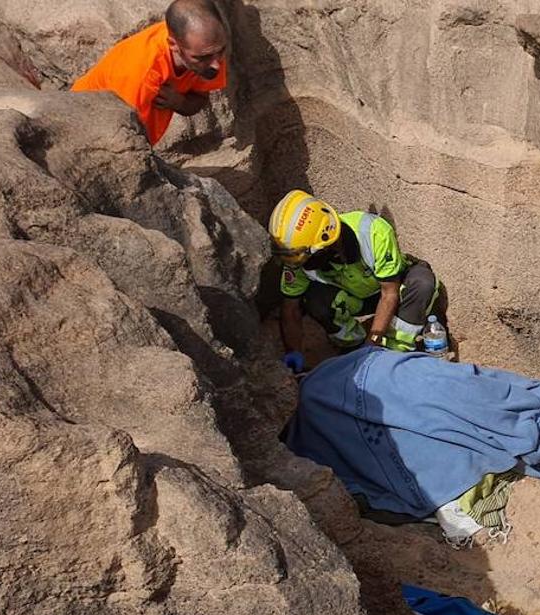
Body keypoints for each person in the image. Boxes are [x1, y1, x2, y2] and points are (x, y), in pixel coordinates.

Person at [267, 190, 440, 373]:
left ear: (326, 243)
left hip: (393, 290)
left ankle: (393, 351)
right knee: (315, 299)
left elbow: (389, 294)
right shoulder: (297, 256)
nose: (300, 265)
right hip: (354, 298)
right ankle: (351, 345)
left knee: (422, 283)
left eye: (304, 259)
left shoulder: (373, 232)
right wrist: (294, 353)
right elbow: (290, 309)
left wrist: (372, 343)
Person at [71, 0, 228, 146]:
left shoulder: (206, 49)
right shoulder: (142, 73)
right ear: (173, 45)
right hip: (81, 129)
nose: (216, 65)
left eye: (221, 51)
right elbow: (128, 143)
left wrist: (178, 102)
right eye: (202, 57)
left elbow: (199, 99)